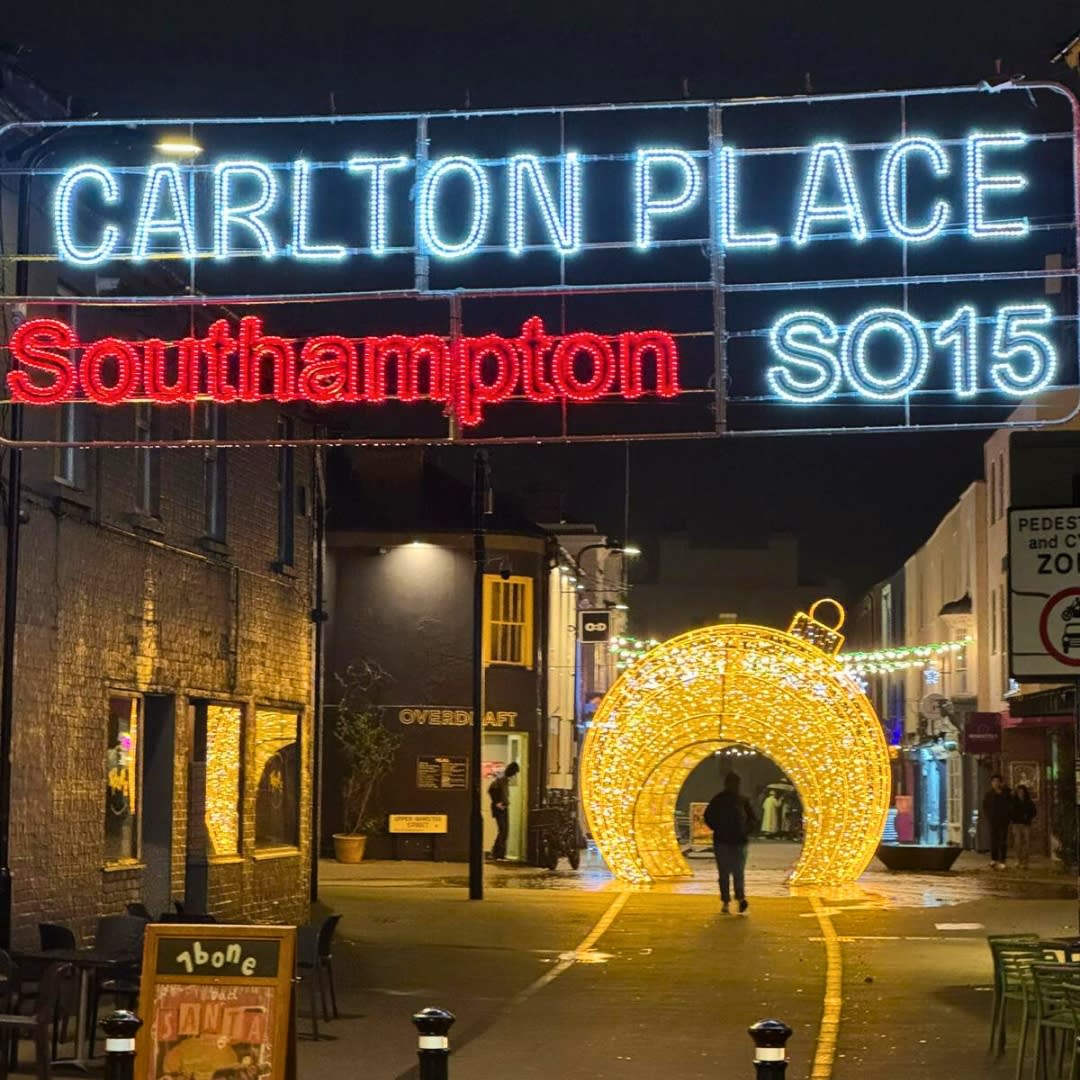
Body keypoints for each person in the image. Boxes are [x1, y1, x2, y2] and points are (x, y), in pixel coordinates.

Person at [704, 772, 759, 914]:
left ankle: (728, 901)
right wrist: (745, 830)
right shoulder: (739, 800)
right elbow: (753, 818)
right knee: (735, 872)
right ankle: (735, 899)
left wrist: (718, 828)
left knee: (727, 872)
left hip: (725, 840)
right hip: (734, 841)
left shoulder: (719, 800)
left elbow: (708, 817)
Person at [488, 761, 520, 860]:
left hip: (503, 807)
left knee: (503, 830)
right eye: (514, 773)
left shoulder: (504, 779)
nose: (514, 775)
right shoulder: (501, 779)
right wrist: (498, 802)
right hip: (500, 808)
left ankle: (497, 852)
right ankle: (498, 853)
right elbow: (491, 790)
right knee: (503, 830)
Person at [982, 773, 1013, 870]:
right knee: (993, 840)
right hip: (993, 820)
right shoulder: (989, 794)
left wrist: (1002, 793)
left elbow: (1010, 804)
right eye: (994, 781)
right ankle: (994, 859)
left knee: (1002, 840)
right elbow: (985, 806)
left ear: (1000, 783)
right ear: (991, 783)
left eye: (997, 781)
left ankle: (1002, 860)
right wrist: (988, 817)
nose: (995, 783)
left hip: (1003, 820)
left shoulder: (1006, 793)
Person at [1011, 784, 1037, 869]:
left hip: (1026, 824)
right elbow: (1010, 812)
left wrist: (1028, 816)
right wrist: (1015, 817)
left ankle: (1025, 861)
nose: (1021, 793)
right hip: (1016, 824)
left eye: (1022, 792)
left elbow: (1034, 811)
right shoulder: (1014, 801)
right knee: (1018, 842)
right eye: (1019, 792)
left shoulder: (1029, 802)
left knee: (1027, 842)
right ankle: (1018, 860)